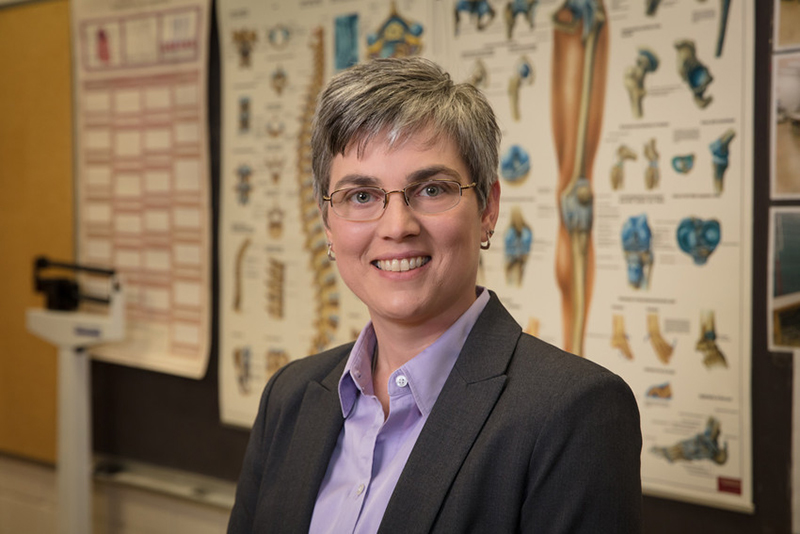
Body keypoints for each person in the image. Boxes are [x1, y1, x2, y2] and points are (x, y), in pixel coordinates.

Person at [228, 56, 642, 534]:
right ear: (327, 223)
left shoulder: (573, 413)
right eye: (361, 196)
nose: (397, 227)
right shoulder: (291, 397)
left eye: (430, 189)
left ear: (487, 208)